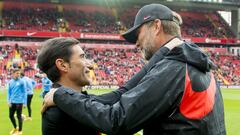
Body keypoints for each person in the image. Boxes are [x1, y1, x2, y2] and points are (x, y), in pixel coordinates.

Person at [42, 4, 226, 135]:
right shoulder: (197, 61)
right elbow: (122, 93)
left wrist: (60, 95)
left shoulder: (172, 69)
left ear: (156, 26)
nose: (136, 43)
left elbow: (117, 120)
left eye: (137, 34)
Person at [7, 68, 27, 135]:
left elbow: (25, 92)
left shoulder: (21, 82)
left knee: (19, 116)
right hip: (12, 102)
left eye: (19, 73)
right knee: (10, 116)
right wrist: (8, 101)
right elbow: (9, 92)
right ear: (13, 74)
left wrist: (25, 102)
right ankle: (15, 127)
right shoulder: (10, 82)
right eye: (17, 73)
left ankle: (20, 131)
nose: (18, 74)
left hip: (19, 102)